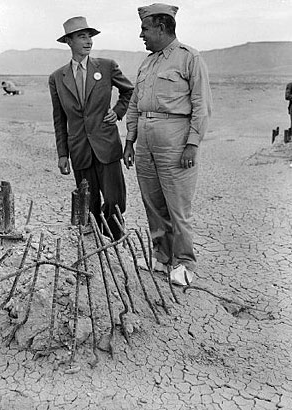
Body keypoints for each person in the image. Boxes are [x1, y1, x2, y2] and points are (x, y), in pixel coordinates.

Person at [123, 3, 212, 286]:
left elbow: (201, 105)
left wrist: (192, 144)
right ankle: (161, 258)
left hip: (175, 140)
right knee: (153, 202)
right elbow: (136, 104)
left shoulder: (190, 58)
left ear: (161, 28)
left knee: (178, 205)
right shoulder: (147, 62)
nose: (141, 36)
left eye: (145, 29)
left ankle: (184, 263)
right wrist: (130, 140)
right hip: (146, 142)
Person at [49, 16, 134, 240]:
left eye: (90, 36)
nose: (88, 41)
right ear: (69, 41)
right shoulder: (57, 78)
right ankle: (95, 245)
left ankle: (114, 242)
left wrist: (117, 111)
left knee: (115, 201)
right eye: (81, 36)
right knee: (89, 202)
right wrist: (62, 154)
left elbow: (129, 91)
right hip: (79, 150)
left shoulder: (106, 66)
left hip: (106, 146)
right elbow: (59, 119)